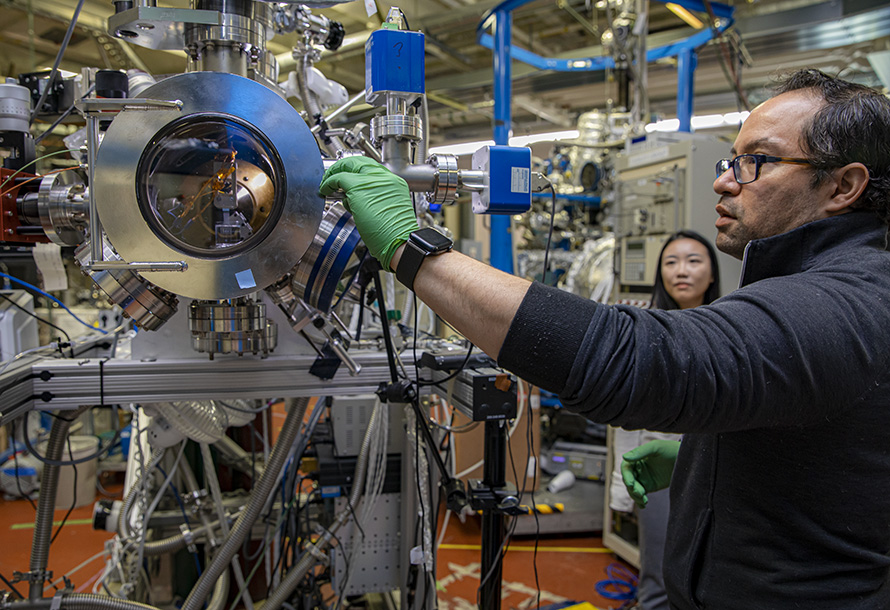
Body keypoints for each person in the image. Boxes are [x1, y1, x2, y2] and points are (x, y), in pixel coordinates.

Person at [319, 69, 890, 609]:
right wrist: (705, 455)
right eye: (730, 159)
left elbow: (637, 360)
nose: (723, 179)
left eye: (756, 162)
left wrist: (411, 248)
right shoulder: (809, 285)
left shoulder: (853, 302)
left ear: (843, 185)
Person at [613, 230, 721, 610]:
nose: (682, 271)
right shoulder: (647, 331)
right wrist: (618, 488)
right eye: (671, 262)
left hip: (716, 469)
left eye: (694, 261)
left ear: (711, 274)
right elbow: (629, 419)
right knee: (658, 571)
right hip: (657, 473)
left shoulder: (731, 329)